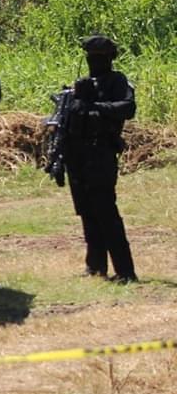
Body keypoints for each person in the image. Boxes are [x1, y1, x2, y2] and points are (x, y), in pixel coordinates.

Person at [64, 35, 137, 283]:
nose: (92, 62)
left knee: (106, 211)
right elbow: (67, 119)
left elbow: (127, 108)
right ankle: (95, 267)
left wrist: (95, 107)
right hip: (78, 156)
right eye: (90, 57)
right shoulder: (81, 85)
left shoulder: (117, 81)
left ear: (108, 59)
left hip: (101, 154)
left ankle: (125, 271)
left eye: (97, 57)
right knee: (87, 211)